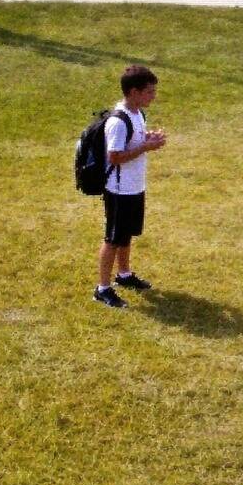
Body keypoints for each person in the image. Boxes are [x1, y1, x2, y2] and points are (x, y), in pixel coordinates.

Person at [94, 65, 167, 309]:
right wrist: (145, 147)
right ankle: (102, 289)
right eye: (149, 91)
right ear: (134, 92)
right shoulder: (118, 121)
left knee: (126, 235)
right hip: (118, 190)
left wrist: (148, 140)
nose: (153, 96)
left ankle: (124, 274)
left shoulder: (138, 114)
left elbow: (133, 143)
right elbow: (114, 156)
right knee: (113, 238)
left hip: (134, 186)